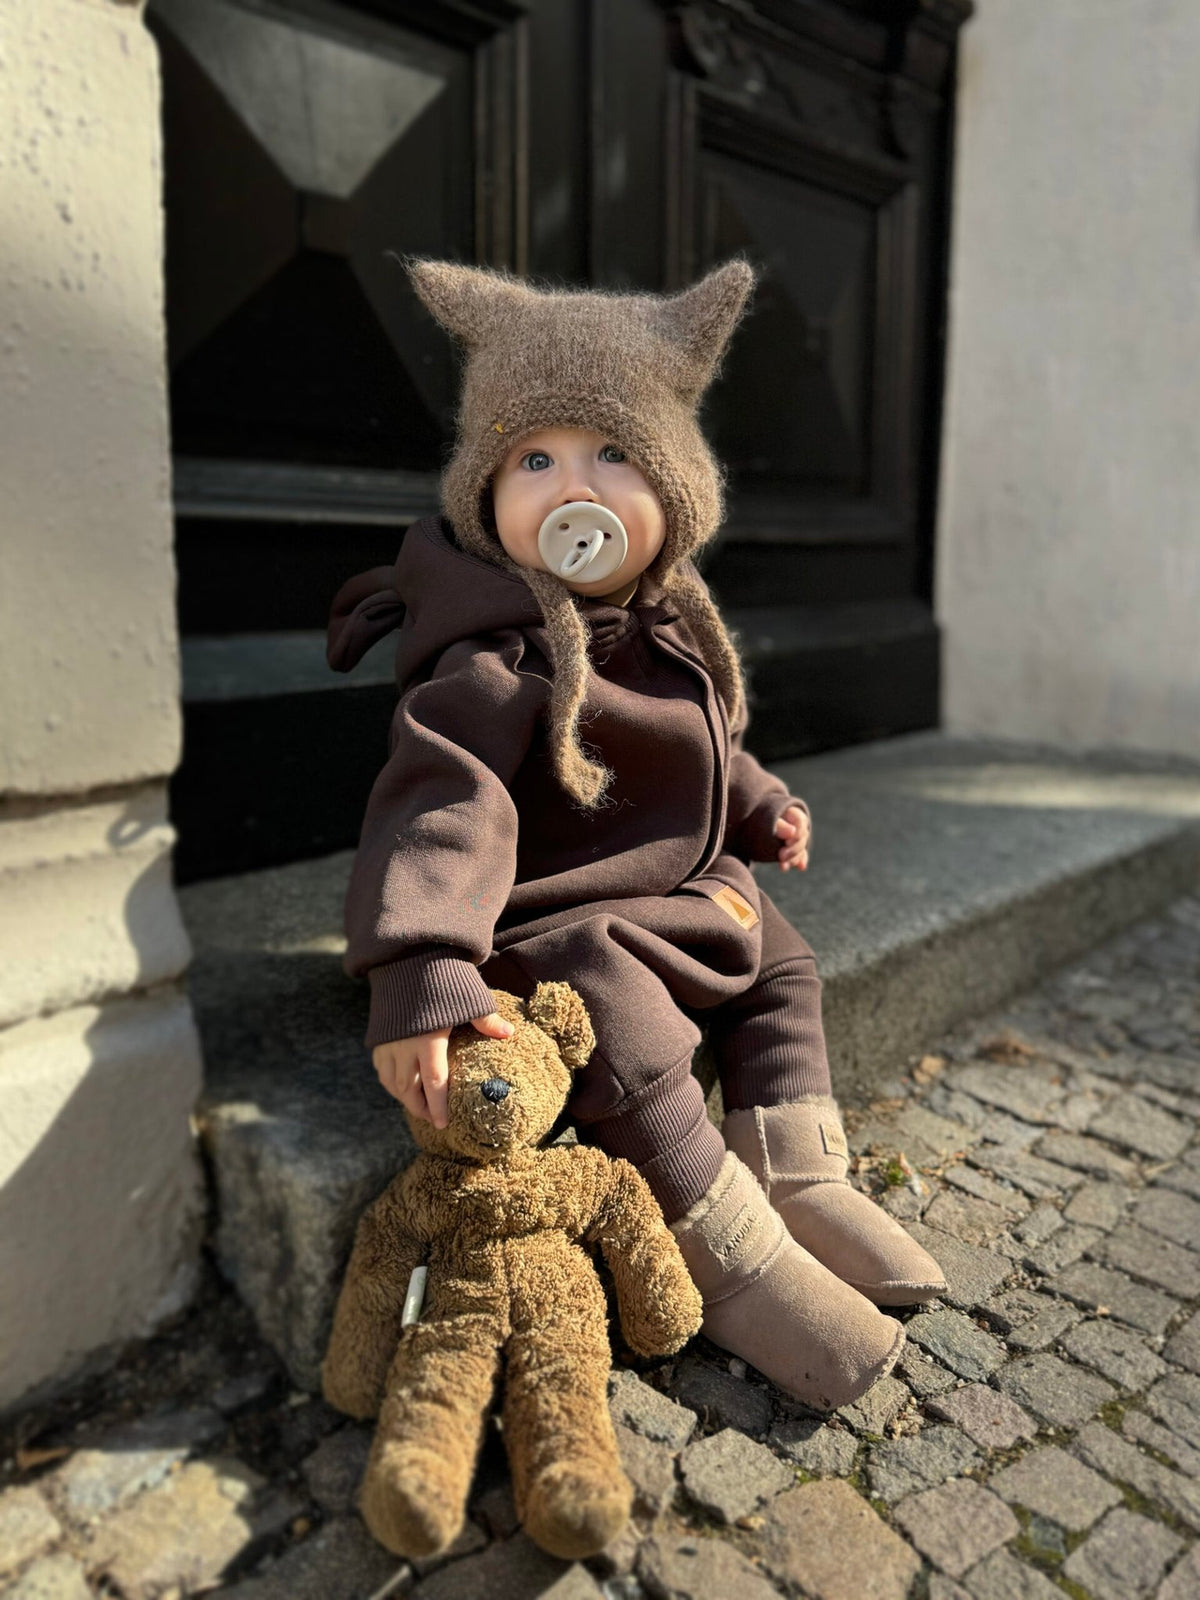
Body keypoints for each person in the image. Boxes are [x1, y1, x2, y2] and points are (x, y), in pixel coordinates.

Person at [327, 257, 945, 1410]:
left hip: (673, 882)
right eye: (537, 459)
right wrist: (420, 965)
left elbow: (701, 739)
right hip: (553, 921)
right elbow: (439, 804)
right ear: (488, 488)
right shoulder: (496, 654)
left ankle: (796, 1170)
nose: (578, 487)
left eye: (613, 454)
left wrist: (759, 803)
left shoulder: (666, 619)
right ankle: (730, 1250)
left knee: (783, 958)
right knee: (626, 1026)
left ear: (674, 487)